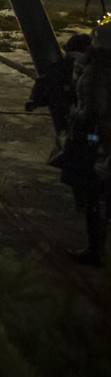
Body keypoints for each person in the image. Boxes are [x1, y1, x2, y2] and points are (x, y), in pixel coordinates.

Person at [61, 17, 110, 265]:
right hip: (97, 133)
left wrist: (78, 119)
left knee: (95, 190)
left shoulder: (99, 70)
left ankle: (95, 248)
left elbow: (96, 107)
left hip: (95, 135)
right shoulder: (96, 67)